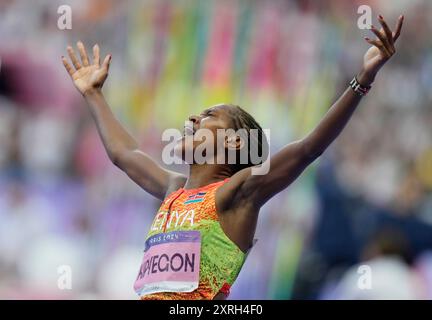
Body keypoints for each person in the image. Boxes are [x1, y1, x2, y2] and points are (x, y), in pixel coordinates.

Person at [61, 15, 404, 300]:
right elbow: (125, 153)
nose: (193, 119)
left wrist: (362, 80)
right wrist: (93, 94)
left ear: (236, 143)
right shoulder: (173, 189)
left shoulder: (236, 194)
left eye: (209, 115)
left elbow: (307, 149)